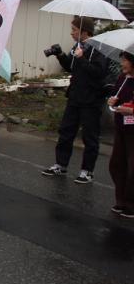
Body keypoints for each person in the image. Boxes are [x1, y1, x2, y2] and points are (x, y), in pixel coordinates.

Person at [41, 16, 107, 183]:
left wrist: (82, 58)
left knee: (89, 136)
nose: (71, 33)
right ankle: (60, 164)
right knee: (66, 131)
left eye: (74, 30)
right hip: (75, 96)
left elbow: (98, 72)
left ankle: (87, 171)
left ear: (85, 32)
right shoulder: (77, 47)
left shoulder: (98, 49)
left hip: (91, 99)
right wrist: (60, 54)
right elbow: (70, 67)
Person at [107, 52, 134, 218]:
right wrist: (112, 101)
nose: (122, 63)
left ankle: (131, 203)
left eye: (125, 60)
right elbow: (115, 96)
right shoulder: (123, 78)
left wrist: (131, 111)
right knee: (117, 164)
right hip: (121, 128)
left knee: (133, 168)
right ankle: (121, 200)